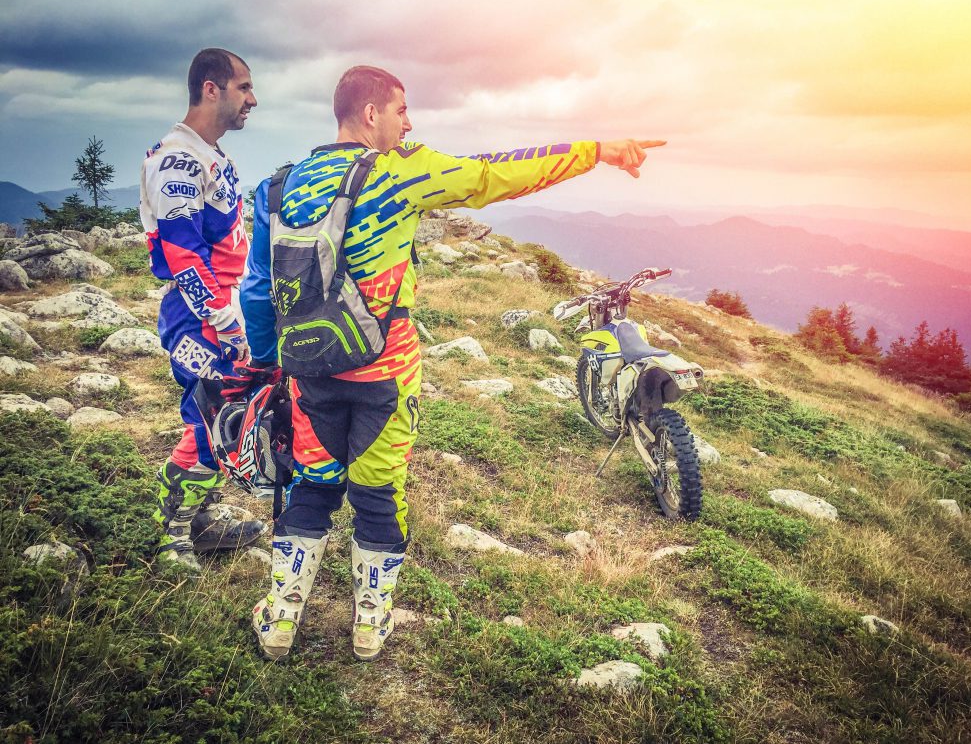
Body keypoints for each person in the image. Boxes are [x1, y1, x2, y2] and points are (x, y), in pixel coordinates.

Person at [242, 64, 664, 660]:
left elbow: (257, 290)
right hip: (385, 371)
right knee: (378, 492)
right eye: (402, 111)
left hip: (308, 369)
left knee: (312, 485)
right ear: (371, 114)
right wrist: (597, 151)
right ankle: (369, 627)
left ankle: (281, 620)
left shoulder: (279, 186)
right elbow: (497, 174)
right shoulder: (399, 170)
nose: (409, 124)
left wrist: (268, 363)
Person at [139, 48, 265, 571]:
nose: (253, 99)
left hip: (222, 308)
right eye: (244, 87)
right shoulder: (178, 161)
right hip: (198, 316)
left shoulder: (209, 155)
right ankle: (169, 531)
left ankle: (202, 518)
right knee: (211, 416)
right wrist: (225, 320)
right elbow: (182, 253)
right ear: (211, 88)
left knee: (225, 414)